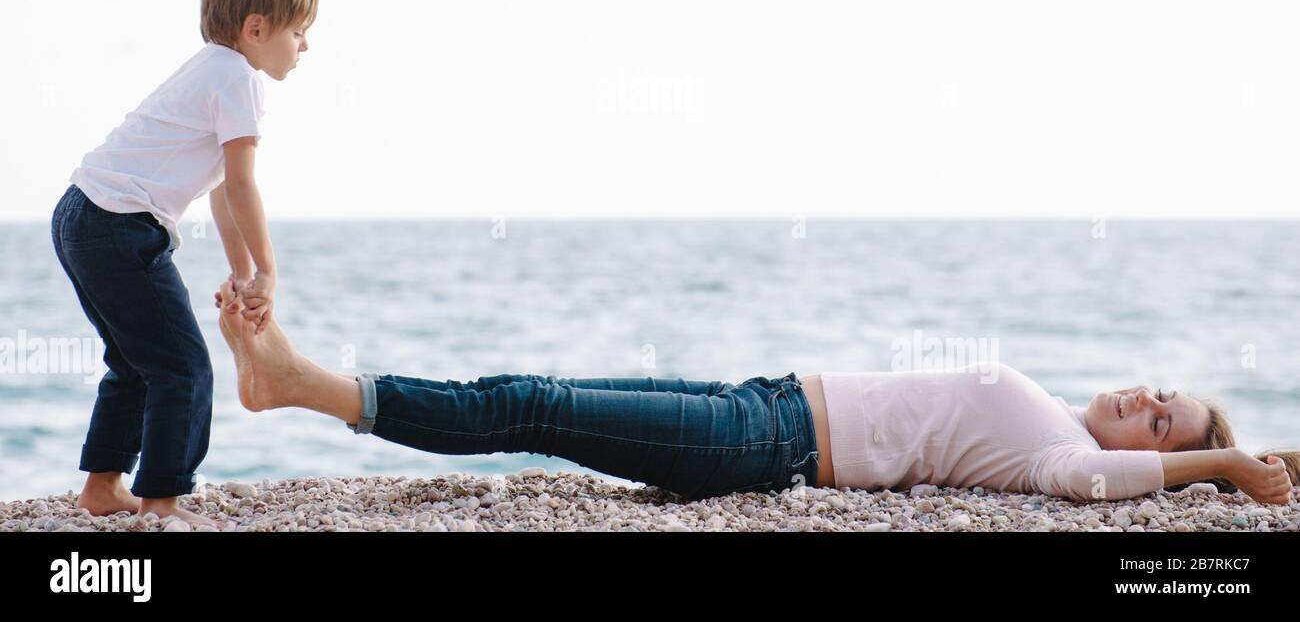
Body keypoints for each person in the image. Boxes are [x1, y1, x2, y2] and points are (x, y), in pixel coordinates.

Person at [212, 281, 1297, 508]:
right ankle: (304, 380)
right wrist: (1237, 452)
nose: (1148, 406)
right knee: (528, 390)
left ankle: (303, 384)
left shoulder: (1061, 451)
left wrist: (1221, 466)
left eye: (1166, 422)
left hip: (760, 443)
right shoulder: (1053, 406)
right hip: (762, 398)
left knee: (529, 403)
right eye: (1163, 394)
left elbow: (1090, 484)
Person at [52, 0, 318, 529]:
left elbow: (222, 191)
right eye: (299, 31)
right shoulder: (239, 81)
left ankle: (101, 488)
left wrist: (243, 273)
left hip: (80, 213)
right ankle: (164, 501)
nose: (305, 47)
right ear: (256, 28)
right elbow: (245, 186)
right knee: (183, 366)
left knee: (134, 360)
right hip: (117, 224)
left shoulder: (212, 69)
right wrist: (271, 271)